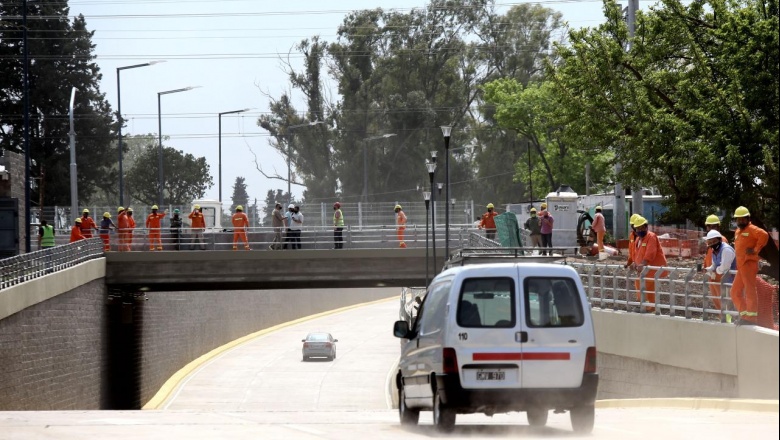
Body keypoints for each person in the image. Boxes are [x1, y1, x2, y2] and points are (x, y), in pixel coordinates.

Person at [731, 206, 769, 325]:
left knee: (749, 290)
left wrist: (755, 249)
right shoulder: (738, 231)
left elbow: (764, 235)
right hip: (741, 265)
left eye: (743, 219)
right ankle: (744, 315)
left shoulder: (752, 229)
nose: (740, 221)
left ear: (748, 219)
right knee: (734, 291)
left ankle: (752, 318)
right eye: (738, 219)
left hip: (749, 263)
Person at [630, 216, 668, 311]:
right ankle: (644, 304)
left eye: (642, 227)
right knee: (639, 284)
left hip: (653, 269)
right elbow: (637, 253)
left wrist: (643, 264)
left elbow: (650, 252)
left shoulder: (651, 237)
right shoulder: (638, 239)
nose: (640, 230)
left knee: (648, 287)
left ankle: (649, 307)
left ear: (646, 227)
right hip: (644, 270)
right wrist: (634, 263)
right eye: (638, 228)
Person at [704, 229, 736, 313]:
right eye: (710, 243)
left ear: (720, 240)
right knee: (725, 304)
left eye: (714, 241)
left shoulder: (726, 250)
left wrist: (715, 272)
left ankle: (734, 321)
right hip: (725, 282)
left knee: (731, 305)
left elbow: (724, 267)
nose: (712, 244)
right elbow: (714, 264)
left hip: (732, 282)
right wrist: (709, 269)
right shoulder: (715, 251)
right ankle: (727, 322)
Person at [702, 214, 729, 310]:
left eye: (713, 226)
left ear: (718, 227)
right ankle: (721, 318)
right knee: (717, 300)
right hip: (712, 275)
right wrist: (705, 267)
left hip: (719, 276)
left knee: (722, 300)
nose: (711, 228)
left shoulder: (722, 240)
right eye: (709, 226)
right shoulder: (710, 240)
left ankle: (726, 321)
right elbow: (708, 257)